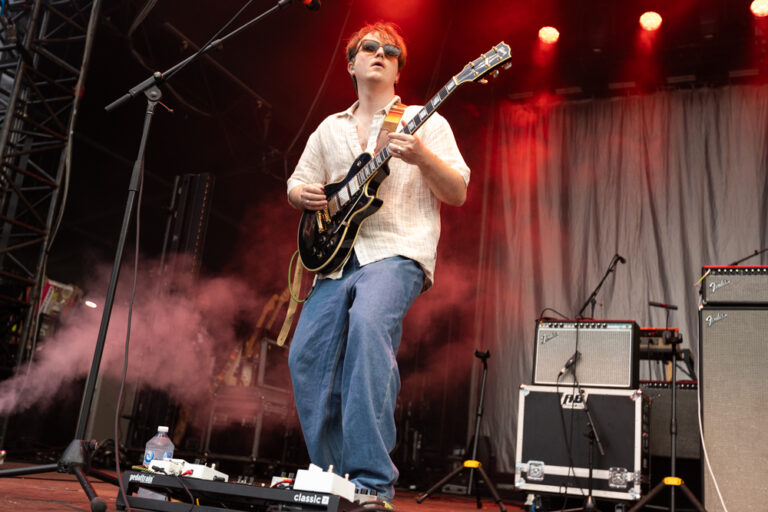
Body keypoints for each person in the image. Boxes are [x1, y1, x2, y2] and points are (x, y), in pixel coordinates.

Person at [286, 21, 470, 505]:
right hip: (336, 260)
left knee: (369, 329)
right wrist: (302, 195)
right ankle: (333, 477)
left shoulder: (425, 122)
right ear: (352, 64)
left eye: (391, 52)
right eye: (370, 48)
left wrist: (422, 157)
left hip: (397, 250)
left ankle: (371, 483)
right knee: (305, 357)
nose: (381, 54)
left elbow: (457, 191)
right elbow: (298, 182)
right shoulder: (329, 128)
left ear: (397, 70)